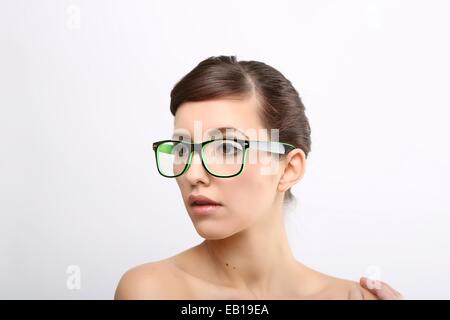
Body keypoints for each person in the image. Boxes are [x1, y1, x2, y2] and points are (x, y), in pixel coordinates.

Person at [115, 56, 402, 300]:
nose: (193, 174)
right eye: (181, 148)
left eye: (227, 148)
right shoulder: (151, 290)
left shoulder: (351, 298)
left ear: (289, 169)